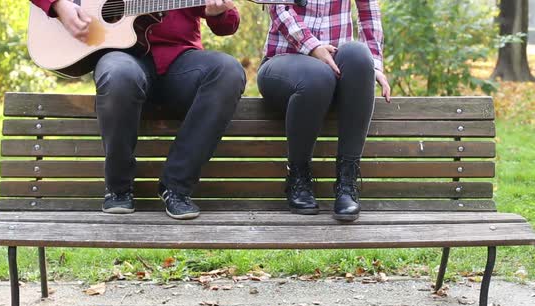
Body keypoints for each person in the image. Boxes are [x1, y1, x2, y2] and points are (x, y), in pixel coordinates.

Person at [31, 0, 246, 219]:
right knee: (118, 74)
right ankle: (118, 188)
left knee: (227, 71)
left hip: (180, 61)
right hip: (122, 57)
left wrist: (219, 12)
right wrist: (59, 5)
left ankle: (176, 187)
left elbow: (227, 25)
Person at [257, 0, 391, 221]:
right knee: (317, 75)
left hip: (336, 66)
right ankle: (298, 177)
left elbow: (369, 12)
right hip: (283, 62)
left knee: (359, 55)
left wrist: (373, 65)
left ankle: (347, 183)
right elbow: (280, 9)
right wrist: (313, 46)